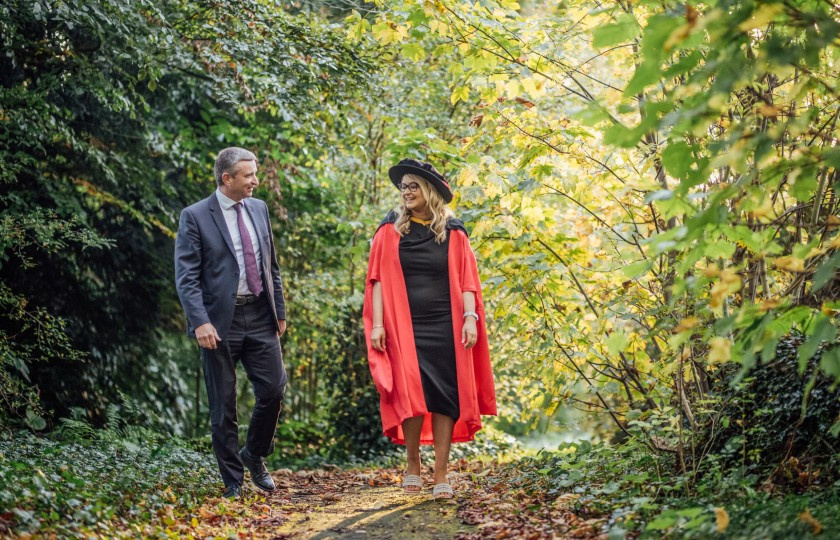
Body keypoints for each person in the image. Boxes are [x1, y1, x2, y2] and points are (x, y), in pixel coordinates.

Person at [363, 158, 497, 499]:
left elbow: (468, 281)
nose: (406, 192)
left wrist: (470, 318)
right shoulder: (390, 228)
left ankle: (441, 473)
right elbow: (376, 280)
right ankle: (412, 465)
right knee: (410, 392)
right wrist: (377, 324)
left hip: (446, 326)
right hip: (403, 326)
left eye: (413, 186)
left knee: (444, 396)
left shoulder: (455, 232)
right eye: (403, 187)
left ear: (430, 191)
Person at [174, 147, 288, 499]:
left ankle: (253, 454)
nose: (256, 180)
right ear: (227, 179)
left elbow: (271, 265)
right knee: (223, 406)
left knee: (274, 390)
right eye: (249, 175)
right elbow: (187, 276)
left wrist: (279, 311)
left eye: (255, 173)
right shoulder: (195, 216)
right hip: (218, 323)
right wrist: (200, 322)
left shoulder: (259, 208)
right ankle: (233, 481)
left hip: (259, 313)